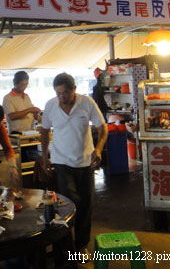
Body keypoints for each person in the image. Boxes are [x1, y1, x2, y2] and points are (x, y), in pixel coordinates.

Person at [40, 73, 108, 251]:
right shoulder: (51, 106)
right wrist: (44, 157)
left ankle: (81, 245)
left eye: (65, 93)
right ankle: (65, 247)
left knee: (86, 204)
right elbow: (44, 131)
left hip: (85, 162)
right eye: (58, 93)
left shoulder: (86, 103)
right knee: (68, 202)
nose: (62, 97)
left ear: (74, 90)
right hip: (61, 162)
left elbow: (103, 128)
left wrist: (99, 149)